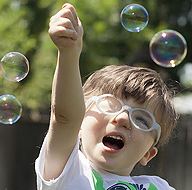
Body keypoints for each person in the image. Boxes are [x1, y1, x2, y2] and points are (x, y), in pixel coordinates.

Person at [35, 3, 178, 190]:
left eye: (142, 120)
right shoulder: (67, 172)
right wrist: (69, 51)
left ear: (148, 154)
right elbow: (64, 118)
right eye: (109, 104)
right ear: (80, 123)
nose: (123, 118)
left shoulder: (157, 187)